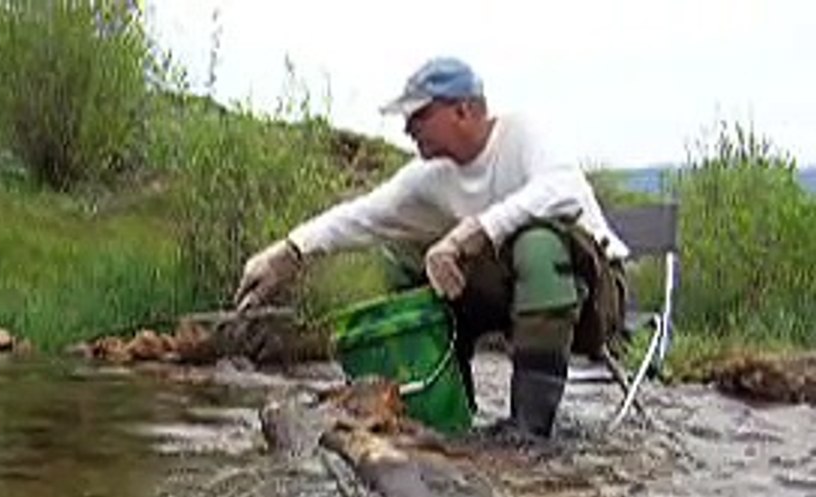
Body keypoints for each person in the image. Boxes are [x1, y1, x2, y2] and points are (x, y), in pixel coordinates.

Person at [233, 57, 629, 438]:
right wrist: (289, 252)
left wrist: (469, 234)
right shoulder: (428, 178)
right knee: (406, 261)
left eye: (419, 115)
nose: (408, 128)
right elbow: (363, 217)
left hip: (594, 299)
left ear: (464, 110)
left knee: (538, 243)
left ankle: (530, 433)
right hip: (516, 302)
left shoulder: (524, 132)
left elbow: (560, 191)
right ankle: (449, 418)